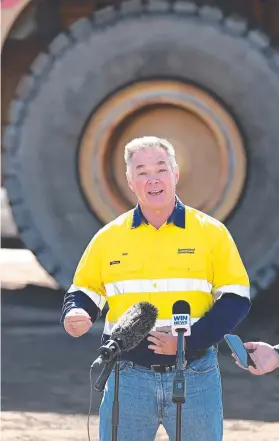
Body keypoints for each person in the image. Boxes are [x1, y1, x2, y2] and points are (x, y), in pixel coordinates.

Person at [61, 136, 251, 441]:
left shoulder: (212, 234)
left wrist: (188, 342)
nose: (153, 179)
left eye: (160, 169)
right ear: (130, 181)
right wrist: (76, 313)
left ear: (175, 174)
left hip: (195, 378)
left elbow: (236, 299)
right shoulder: (108, 238)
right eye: (142, 172)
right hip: (128, 380)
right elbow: (84, 292)